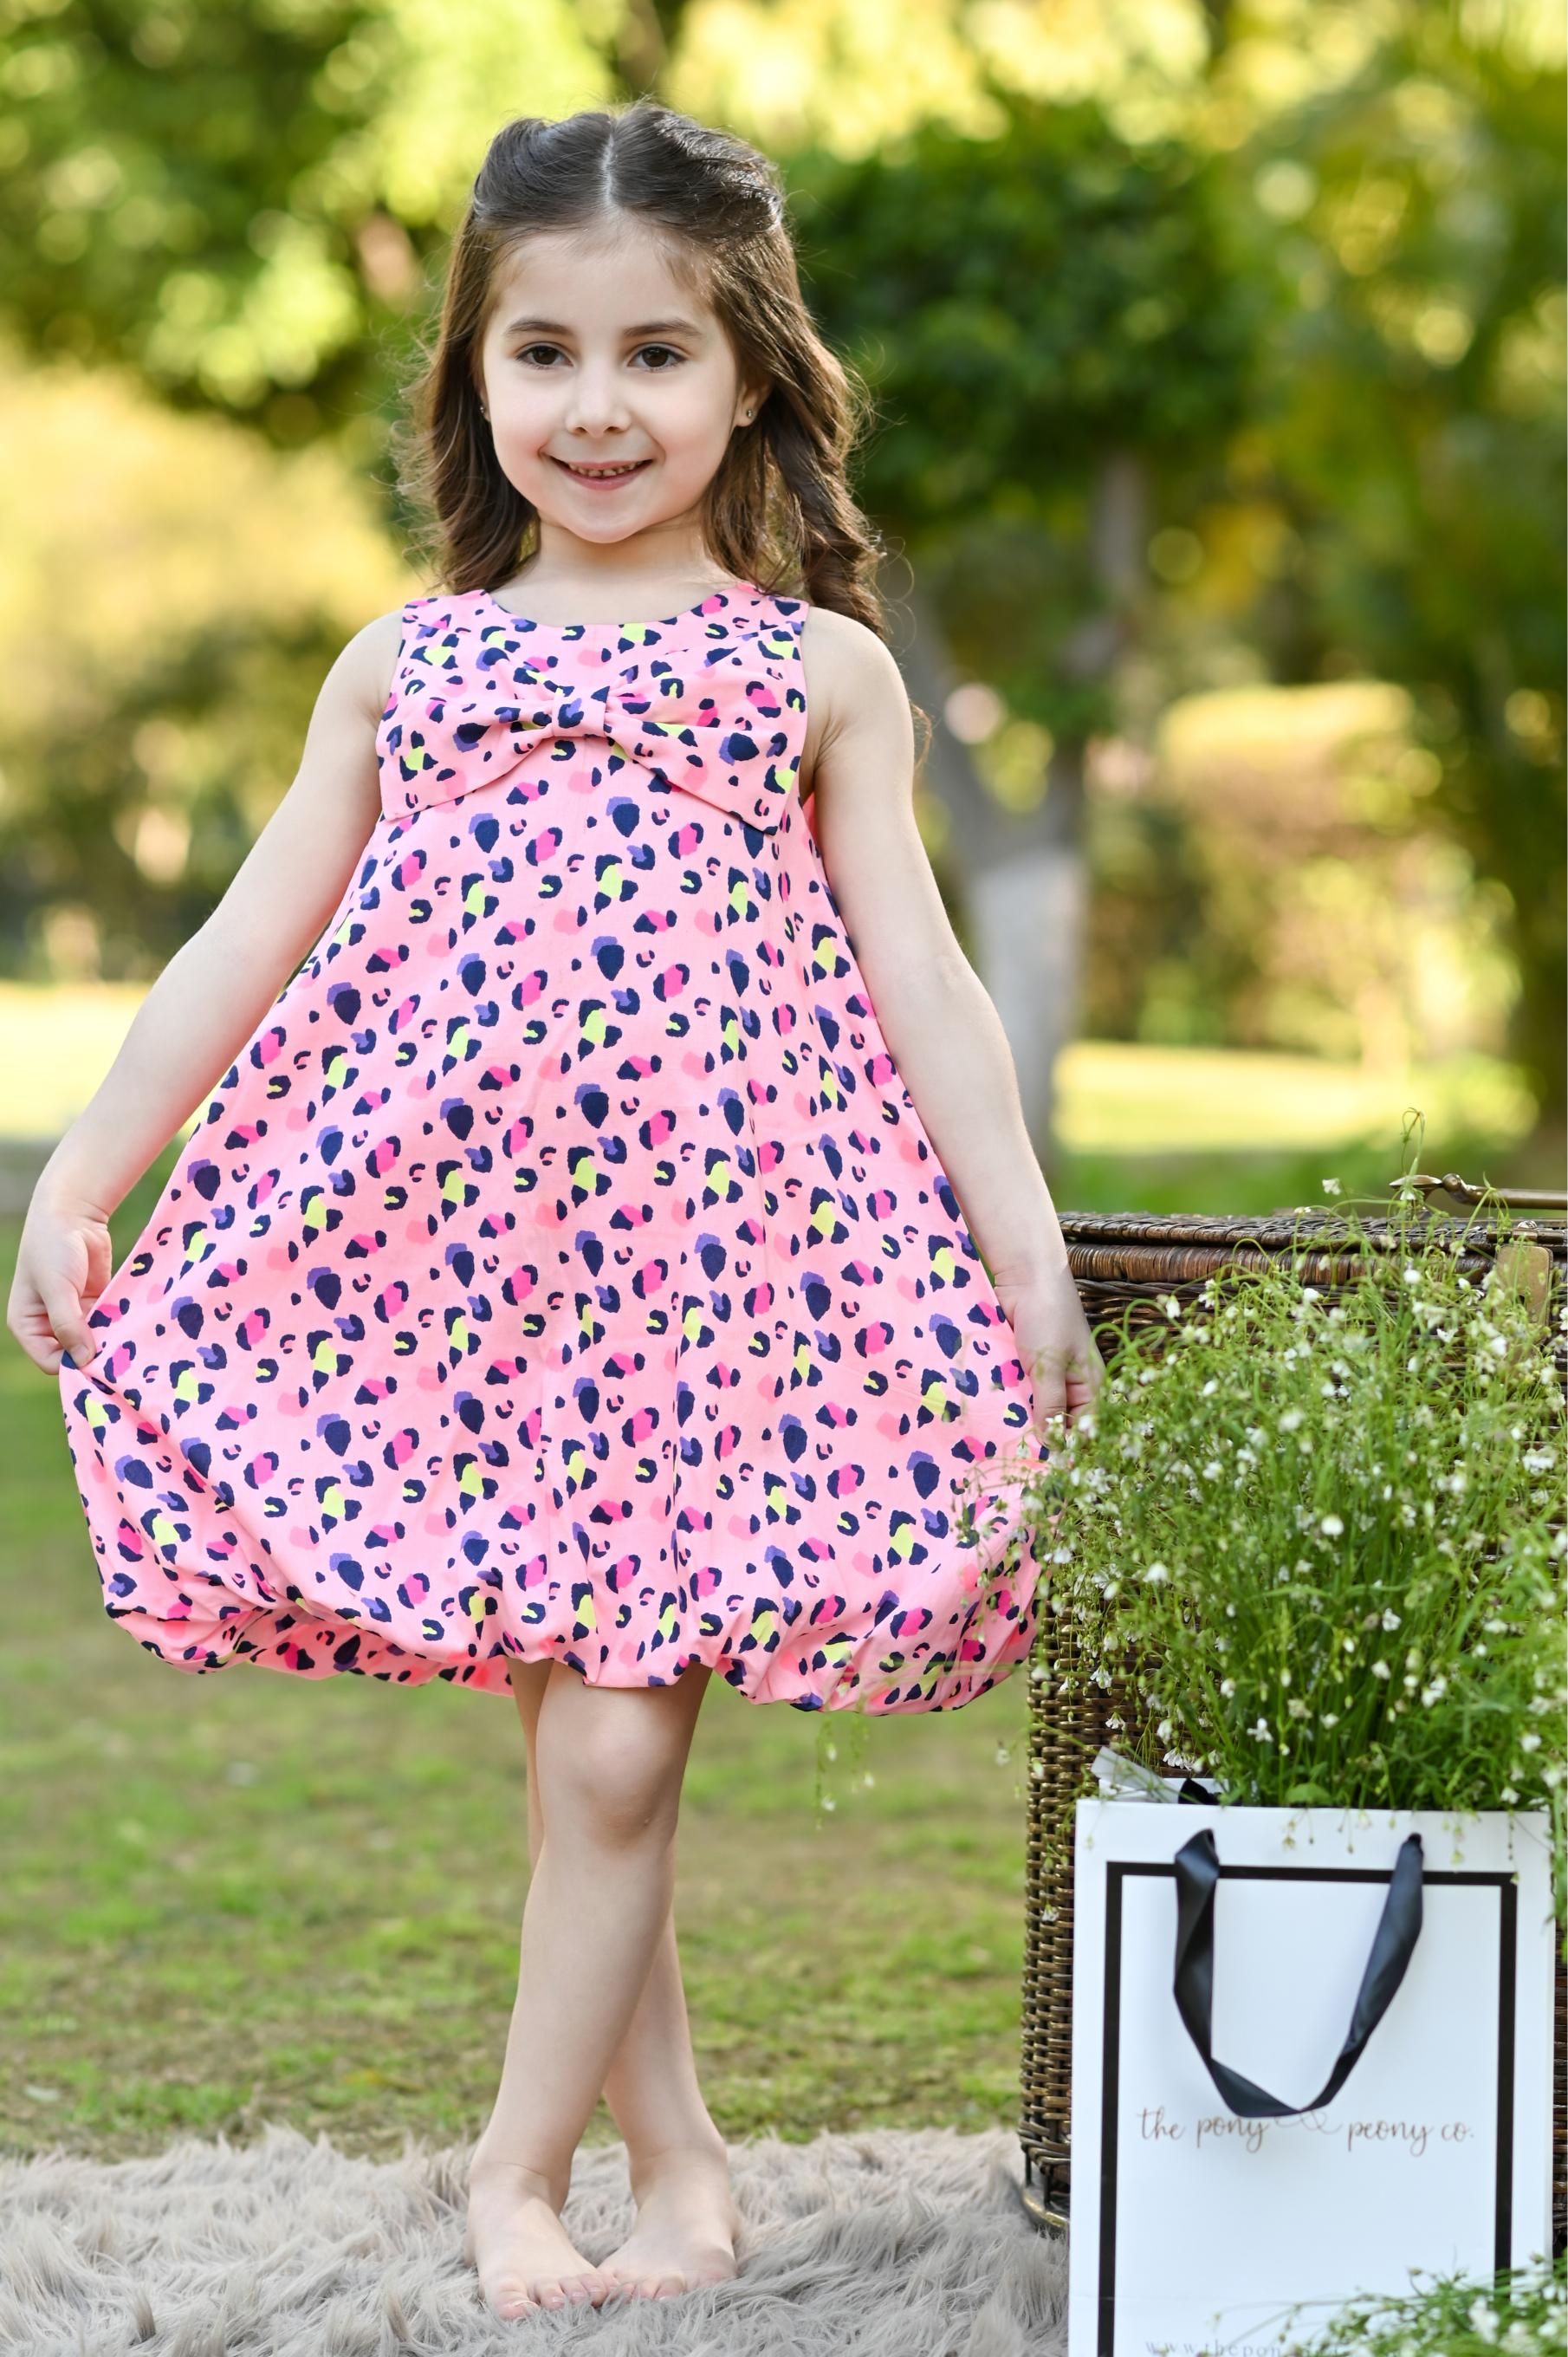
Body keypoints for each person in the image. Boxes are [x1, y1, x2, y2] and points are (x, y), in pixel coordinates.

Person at [10, 98, 1105, 2321]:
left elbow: (924, 976)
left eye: (655, 355)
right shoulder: (409, 664)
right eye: (543, 355)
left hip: (719, 1295)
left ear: (750, 377)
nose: (596, 408)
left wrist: (1021, 1250)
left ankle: (515, 2176)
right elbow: (242, 936)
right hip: (460, 1283)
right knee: (573, 1757)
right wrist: (82, 1174)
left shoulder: (812, 678)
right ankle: (681, 2166)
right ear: (471, 374)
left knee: (611, 1745)